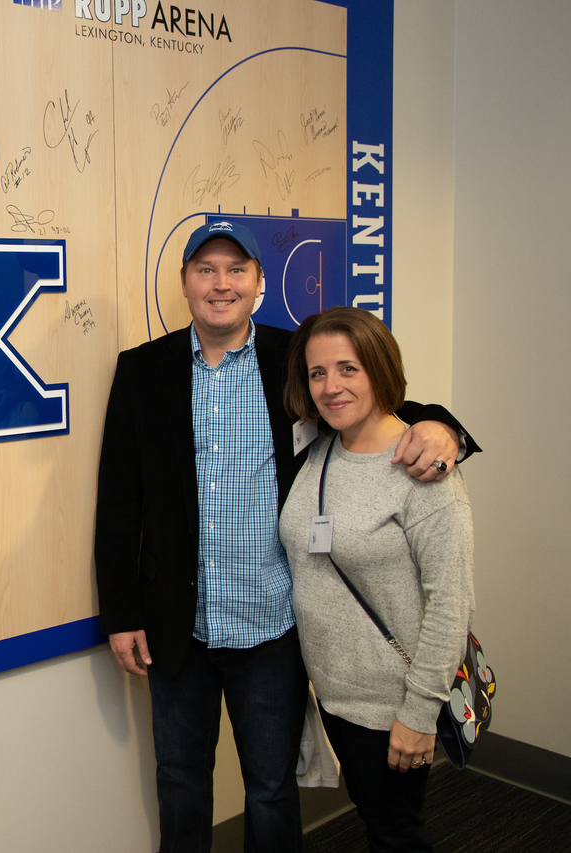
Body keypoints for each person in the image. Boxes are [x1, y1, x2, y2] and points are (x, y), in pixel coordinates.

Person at [94, 220, 472, 853]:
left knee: (271, 788)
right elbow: (118, 500)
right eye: (205, 270)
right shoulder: (142, 371)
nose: (221, 284)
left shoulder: (293, 357)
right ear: (185, 283)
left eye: (236, 270)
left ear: (259, 283)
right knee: (180, 783)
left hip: (272, 626)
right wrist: (121, 613)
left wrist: (445, 429)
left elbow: (372, 399)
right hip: (174, 625)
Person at [278, 307, 474, 852]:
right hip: (335, 697)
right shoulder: (319, 448)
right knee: (377, 819)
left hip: (392, 703)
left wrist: (418, 714)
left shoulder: (424, 471)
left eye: (348, 368)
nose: (331, 386)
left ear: (379, 370)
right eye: (318, 373)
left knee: (395, 834)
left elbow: (451, 604)